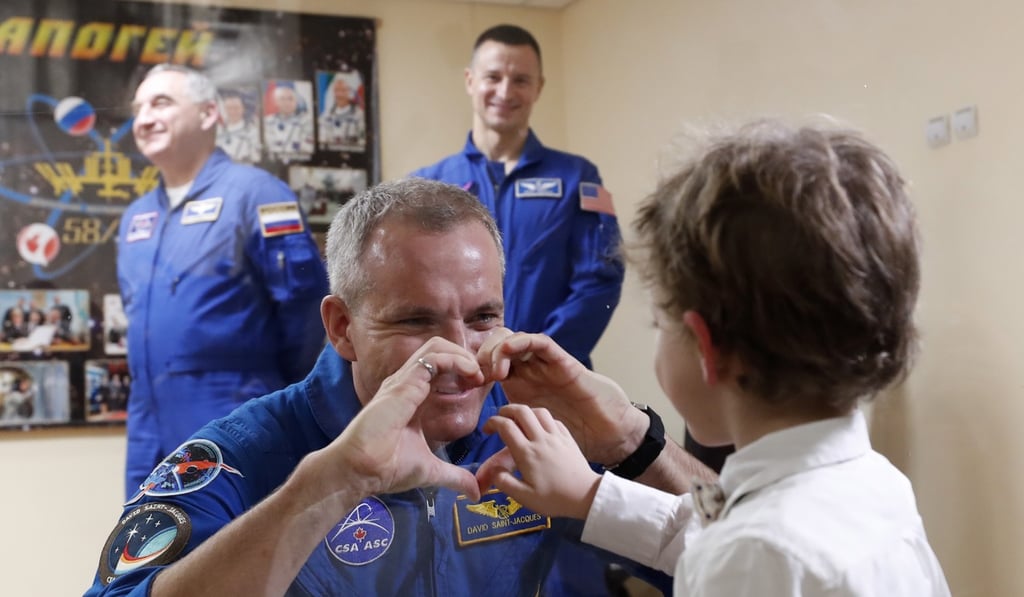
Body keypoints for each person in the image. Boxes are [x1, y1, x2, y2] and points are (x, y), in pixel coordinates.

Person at [85, 178, 705, 596]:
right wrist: (331, 482)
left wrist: (630, 441)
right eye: (415, 321)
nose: (462, 357)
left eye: (484, 317)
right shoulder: (242, 454)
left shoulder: (528, 432)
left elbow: (754, 560)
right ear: (341, 327)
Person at [476, 120, 952, 596]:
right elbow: (718, 530)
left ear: (707, 348)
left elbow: (739, 549)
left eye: (660, 325)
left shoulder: (752, 556)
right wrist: (591, 492)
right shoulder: (876, 484)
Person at [119, 64, 328, 499]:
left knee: (240, 557)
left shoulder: (258, 195)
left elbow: (307, 311)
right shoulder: (136, 218)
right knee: (151, 555)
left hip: (236, 421)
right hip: (148, 426)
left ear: (209, 113)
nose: (144, 118)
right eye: (138, 108)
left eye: (161, 102)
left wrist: (277, 396)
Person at [412, 24, 623, 371]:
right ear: (470, 81)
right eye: (493, 77)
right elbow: (414, 290)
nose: (505, 91)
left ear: (538, 87)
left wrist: (534, 353)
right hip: (459, 378)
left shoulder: (577, 178)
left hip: (551, 378)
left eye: (521, 80)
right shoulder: (428, 185)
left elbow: (599, 281)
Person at [317, 72, 366, 152]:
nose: (339, 94)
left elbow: (363, 140)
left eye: (343, 90)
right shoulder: (326, 115)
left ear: (350, 92)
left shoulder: (359, 114)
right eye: (337, 90)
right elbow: (320, 139)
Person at [264, 81, 314, 159]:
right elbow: (267, 147)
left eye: (290, 99)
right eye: (282, 99)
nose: (286, 103)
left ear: (296, 101)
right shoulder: (267, 122)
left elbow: (309, 148)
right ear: (276, 102)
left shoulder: (306, 122)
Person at [216, 91, 261, 163]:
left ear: (243, 109)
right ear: (224, 110)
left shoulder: (252, 132)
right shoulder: (218, 131)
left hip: (243, 169)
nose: (233, 111)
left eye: (236, 108)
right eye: (229, 108)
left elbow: (257, 157)